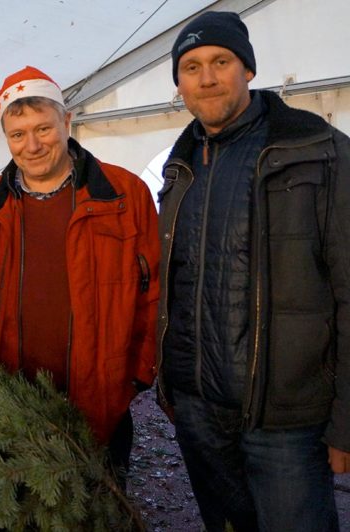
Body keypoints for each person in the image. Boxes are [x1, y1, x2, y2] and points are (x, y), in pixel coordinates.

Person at [156, 11, 349, 531]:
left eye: (221, 61)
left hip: (286, 419)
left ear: (249, 70)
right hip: (200, 414)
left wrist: (346, 421)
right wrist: (171, 384)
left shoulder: (317, 151)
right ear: (179, 84)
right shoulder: (180, 165)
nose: (207, 77)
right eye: (191, 66)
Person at [0, 66, 159, 483]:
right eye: (17, 134)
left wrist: (135, 376)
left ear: (67, 121)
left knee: (101, 506)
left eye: (43, 128)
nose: (31, 145)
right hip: (13, 400)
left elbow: (154, 293)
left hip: (101, 398)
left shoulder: (123, 195)